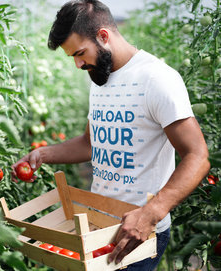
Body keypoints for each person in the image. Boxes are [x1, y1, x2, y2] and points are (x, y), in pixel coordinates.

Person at [11, 0, 210, 270]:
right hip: (98, 226)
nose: (78, 64)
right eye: (73, 57)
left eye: (80, 53)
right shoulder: (101, 78)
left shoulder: (156, 79)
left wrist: (150, 214)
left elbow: (197, 156)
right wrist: (42, 154)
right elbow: (89, 144)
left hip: (136, 234)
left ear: (103, 36)